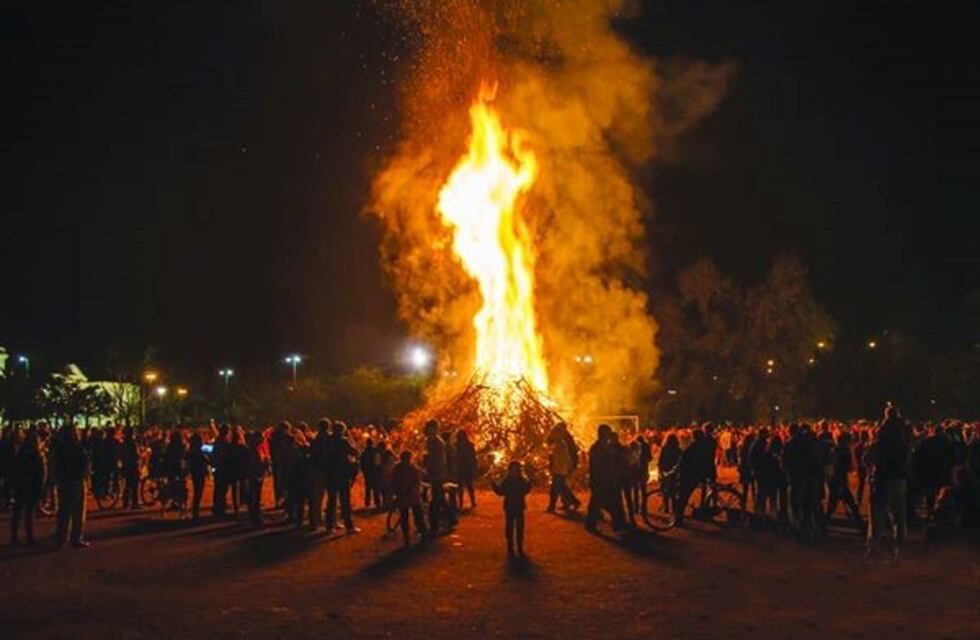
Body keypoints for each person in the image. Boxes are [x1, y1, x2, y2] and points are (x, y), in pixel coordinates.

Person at [867, 405, 910, 555]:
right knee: (899, 514)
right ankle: (900, 545)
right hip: (899, 478)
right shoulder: (904, 437)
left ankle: (874, 546)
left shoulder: (882, 434)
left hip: (882, 479)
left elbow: (868, 457)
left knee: (877, 513)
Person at [585, 424, 627, 533]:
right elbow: (608, 461)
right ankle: (616, 525)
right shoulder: (601, 447)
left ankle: (592, 525)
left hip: (599, 480)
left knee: (596, 504)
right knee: (608, 503)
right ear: (604, 434)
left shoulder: (597, 447)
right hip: (603, 480)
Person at [54, 423, 91, 548]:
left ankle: (61, 538)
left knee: (64, 511)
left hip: (64, 482)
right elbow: (85, 463)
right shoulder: (77, 447)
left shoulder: (60, 447)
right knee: (78, 512)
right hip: (76, 481)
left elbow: (57, 465)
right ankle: (76, 538)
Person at [10, 429, 44, 546]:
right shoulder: (37, 455)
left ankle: (14, 535)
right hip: (32, 487)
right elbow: (40, 474)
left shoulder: (21, 453)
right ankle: (29, 538)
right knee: (29, 513)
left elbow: (15, 469)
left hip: (21, 486)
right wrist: (40, 489)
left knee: (18, 511)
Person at [325, 421, 359, 533]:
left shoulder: (328, 441)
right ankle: (349, 526)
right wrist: (352, 441)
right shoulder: (343, 441)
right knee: (345, 501)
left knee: (331, 501)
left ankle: (330, 526)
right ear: (342, 431)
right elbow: (355, 452)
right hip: (342, 474)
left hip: (330, 473)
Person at [491, 460, 532, 556]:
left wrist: (530, 483)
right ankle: (510, 546)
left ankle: (519, 546)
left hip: (518, 506)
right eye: (512, 470)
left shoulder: (520, 481)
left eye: (515, 470)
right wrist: (494, 486)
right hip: (510, 506)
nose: (514, 472)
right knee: (509, 526)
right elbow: (501, 492)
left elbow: (525, 490)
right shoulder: (507, 481)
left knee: (520, 527)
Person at [424, 419, 456, 532]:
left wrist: (434, 472)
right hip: (435, 474)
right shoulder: (430, 441)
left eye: (429, 428)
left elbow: (441, 461)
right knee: (440, 499)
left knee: (436, 501)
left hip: (437, 475)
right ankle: (451, 519)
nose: (427, 430)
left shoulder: (438, 443)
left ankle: (435, 525)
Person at [391, 450, 427, 545]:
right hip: (412, 496)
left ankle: (408, 537)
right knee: (416, 515)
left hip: (405, 496)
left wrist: (397, 493)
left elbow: (393, 482)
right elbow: (417, 482)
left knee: (405, 516)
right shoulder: (412, 468)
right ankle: (421, 534)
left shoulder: (397, 469)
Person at [546, 422, 580, 512]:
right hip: (559, 470)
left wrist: (569, 468)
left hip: (560, 470)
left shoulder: (562, 444)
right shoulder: (560, 443)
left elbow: (567, 458)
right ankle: (570, 502)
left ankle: (552, 506)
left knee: (556, 488)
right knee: (562, 487)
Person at [186, 433, 209, 522]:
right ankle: (195, 513)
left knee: (197, 492)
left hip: (194, 473)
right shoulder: (199, 452)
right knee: (198, 493)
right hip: (199, 473)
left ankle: (195, 512)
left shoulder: (191, 451)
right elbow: (206, 460)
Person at [245, 431, 266, 526]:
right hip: (255, 476)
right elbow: (253, 463)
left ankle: (255, 516)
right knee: (254, 497)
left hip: (257, 475)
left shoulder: (257, 448)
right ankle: (254, 516)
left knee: (256, 497)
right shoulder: (253, 449)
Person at [455, 430, 478, 509]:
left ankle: (467, 502)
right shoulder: (466, 445)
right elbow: (474, 457)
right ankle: (469, 502)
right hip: (464, 468)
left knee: (466, 486)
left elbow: (473, 457)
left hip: (463, 468)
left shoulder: (458, 445)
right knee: (466, 486)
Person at [119, 427, 140, 510]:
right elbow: (136, 455)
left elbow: (121, 454)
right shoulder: (133, 443)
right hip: (133, 465)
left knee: (128, 484)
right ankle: (134, 503)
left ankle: (126, 502)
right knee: (134, 484)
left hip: (126, 465)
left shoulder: (123, 443)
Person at [360, 438, 383, 510]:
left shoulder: (364, 452)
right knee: (375, 488)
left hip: (368, 472)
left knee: (368, 488)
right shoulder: (376, 451)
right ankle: (377, 503)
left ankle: (367, 503)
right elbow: (378, 463)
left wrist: (364, 471)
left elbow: (362, 463)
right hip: (375, 472)